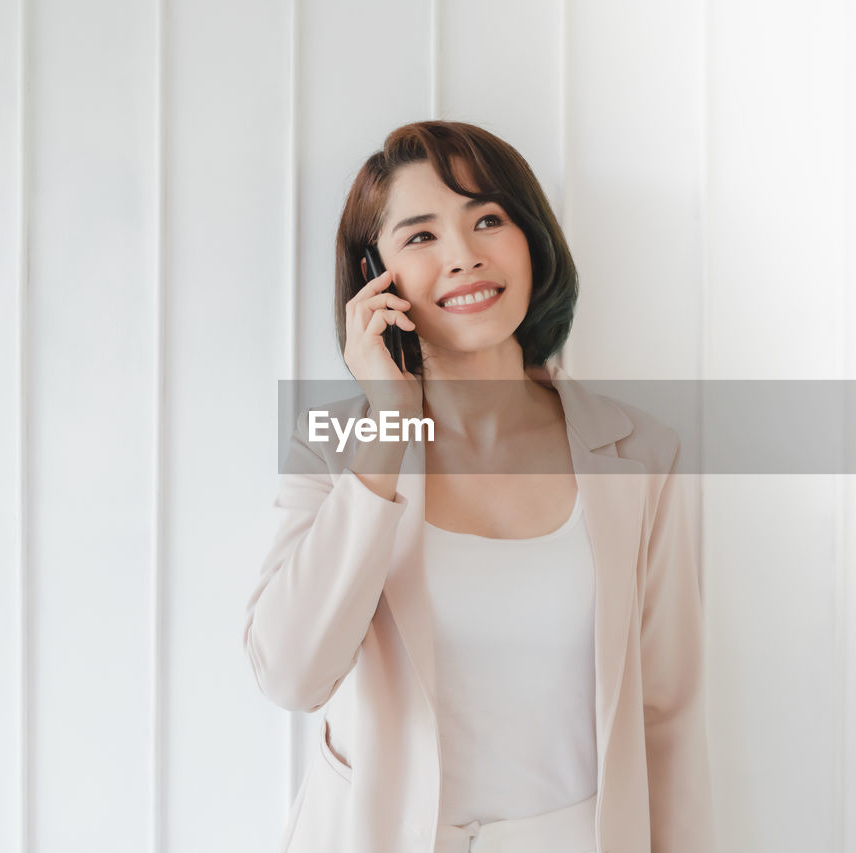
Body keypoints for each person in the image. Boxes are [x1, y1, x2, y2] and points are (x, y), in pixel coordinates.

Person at [243, 121, 713, 853]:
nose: (464, 256)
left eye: (487, 219)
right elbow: (291, 673)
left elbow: (667, 716)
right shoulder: (336, 449)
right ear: (375, 273)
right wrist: (390, 423)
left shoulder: (639, 454)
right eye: (421, 236)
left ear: (531, 239)